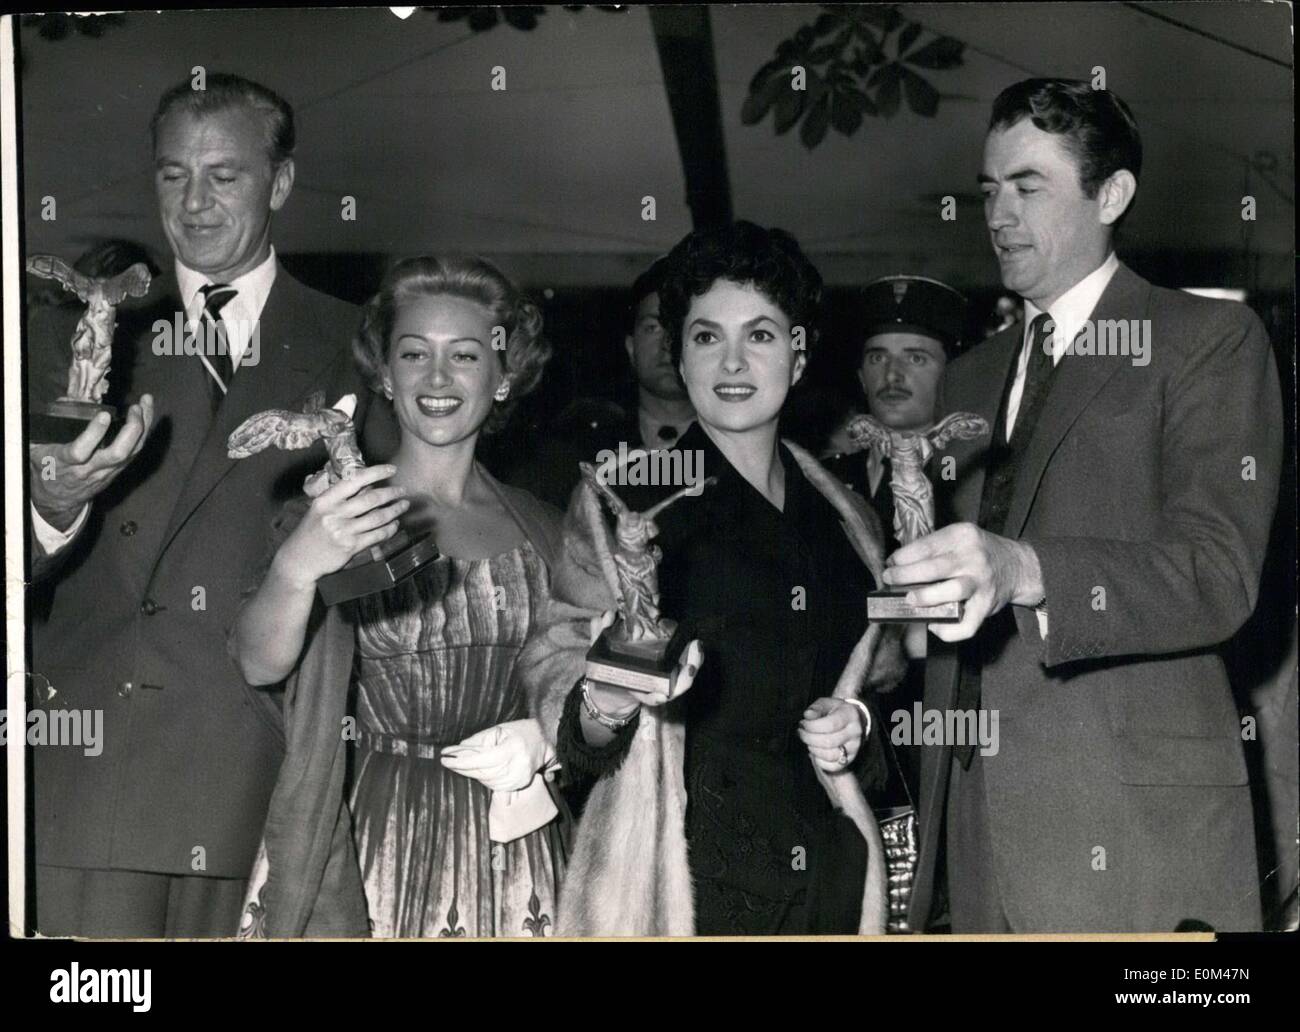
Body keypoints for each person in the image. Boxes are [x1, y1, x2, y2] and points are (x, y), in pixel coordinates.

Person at [889, 79, 1282, 933]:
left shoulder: (1210, 340)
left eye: (1029, 186)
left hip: (1132, 834)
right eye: (989, 191)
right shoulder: (969, 375)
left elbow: (1218, 575)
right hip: (972, 829)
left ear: (1113, 194)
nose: (998, 213)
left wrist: (1022, 570)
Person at [25, 72, 396, 937]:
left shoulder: (361, 344)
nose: (193, 204)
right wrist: (50, 506)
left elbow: (378, 580)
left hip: (259, 774)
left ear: (281, 183)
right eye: (171, 175)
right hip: (92, 769)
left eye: (223, 176)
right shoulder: (67, 335)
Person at [520, 222, 906, 936]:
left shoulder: (846, 513)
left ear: (798, 353)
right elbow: (561, 681)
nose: (732, 361)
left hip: (830, 879)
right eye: (705, 336)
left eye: (759, 335)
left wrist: (858, 729)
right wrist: (604, 700)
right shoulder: (624, 498)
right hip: (688, 886)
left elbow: (879, 689)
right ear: (680, 352)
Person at [232, 256, 566, 938]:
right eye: (414, 353)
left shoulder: (548, 528)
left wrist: (549, 735)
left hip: (519, 847)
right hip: (369, 838)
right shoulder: (335, 512)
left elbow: (592, 685)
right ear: (385, 375)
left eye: (466, 355)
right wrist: (299, 565)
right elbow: (257, 665)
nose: (437, 378)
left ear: (504, 378)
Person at [505, 257, 695, 509]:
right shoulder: (573, 454)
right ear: (630, 347)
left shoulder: (744, 453)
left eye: (681, 328)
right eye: (653, 327)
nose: (668, 344)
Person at [822, 274, 967, 556]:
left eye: (915, 358)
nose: (892, 375)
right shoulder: (827, 479)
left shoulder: (966, 481)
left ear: (951, 376)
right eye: (877, 358)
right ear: (862, 378)